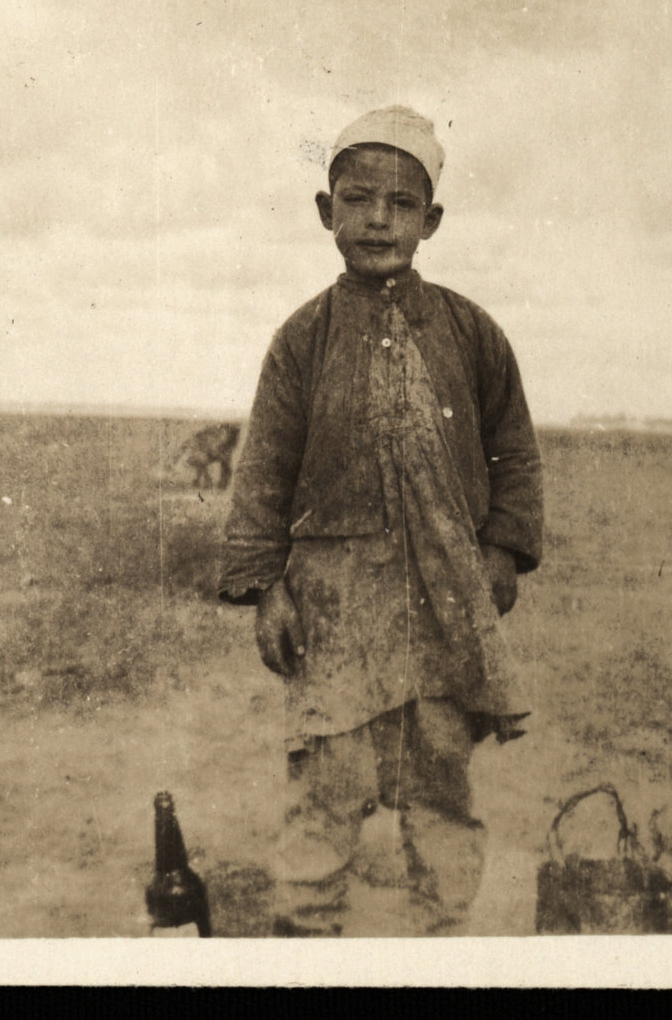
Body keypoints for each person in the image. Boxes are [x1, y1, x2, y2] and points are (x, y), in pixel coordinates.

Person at [219, 105, 543, 937]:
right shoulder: (302, 341)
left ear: (429, 220)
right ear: (325, 211)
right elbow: (263, 469)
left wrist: (503, 546)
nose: (377, 219)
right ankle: (307, 934)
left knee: (440, 783)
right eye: (356, 199)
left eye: (400, 204)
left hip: (444, 601)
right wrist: (265, 588)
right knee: (326, 787)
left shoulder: (473, 333)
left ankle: (443, 939)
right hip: (334, 606)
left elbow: (515, 447)